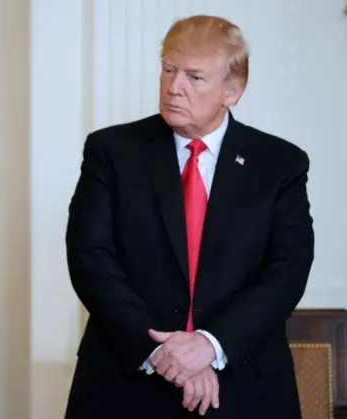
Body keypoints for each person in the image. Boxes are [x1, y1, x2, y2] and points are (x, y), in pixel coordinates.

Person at [64, 14, 314, 419]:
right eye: (168, 70)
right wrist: (160, 351)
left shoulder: (279, 164)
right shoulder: (112, 151)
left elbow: (288, 270)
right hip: (129, 380)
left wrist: (210, 345)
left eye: (194, 77)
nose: (173, 87)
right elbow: (90, 258)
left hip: (243, 385)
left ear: (232, 91)